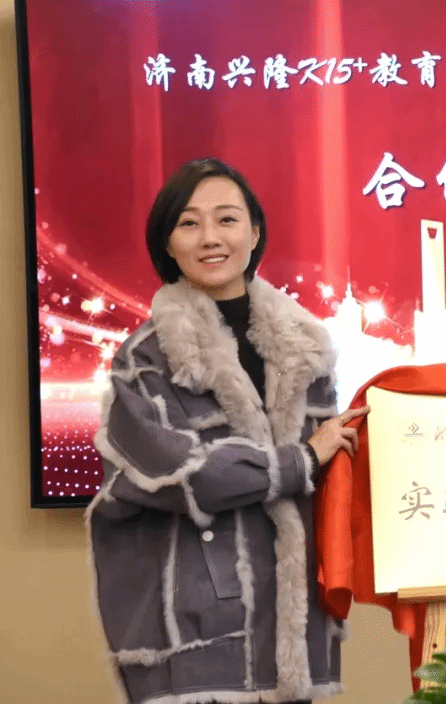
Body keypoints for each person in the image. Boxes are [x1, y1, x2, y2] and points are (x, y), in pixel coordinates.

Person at [88, 158, 367, 704]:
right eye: (189, 223)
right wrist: (300, 460)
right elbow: (182, 474)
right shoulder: (143, 360)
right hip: (193, 635)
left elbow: (334, 476)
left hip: (293, 631)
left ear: (254, 232)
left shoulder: (306, 348)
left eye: (227, 219)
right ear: (167, 243)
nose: (210, 238)